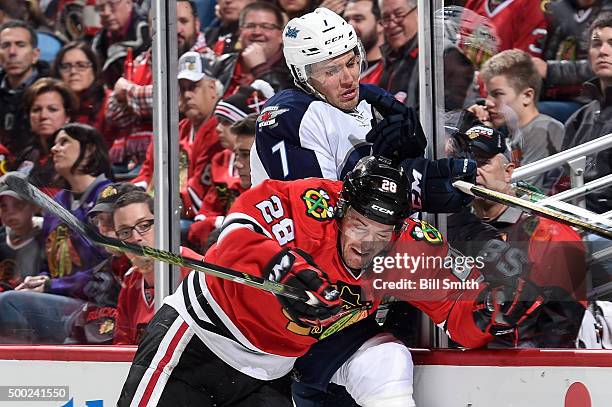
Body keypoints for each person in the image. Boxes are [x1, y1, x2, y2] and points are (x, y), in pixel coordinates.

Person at [117, 155, 546, 406]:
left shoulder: (408, 250)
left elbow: (455, 316)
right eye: (359, 224)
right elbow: (231, 239)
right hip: (197, 342)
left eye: (383, 231)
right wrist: (280, 265)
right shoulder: (304, 203)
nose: (369, 242)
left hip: (269, 373)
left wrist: (490, 314)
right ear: (341, 211)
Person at [252, 7, 474, 215]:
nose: (349, 80)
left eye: (351, 63)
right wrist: (410, 189)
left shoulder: (374, 100)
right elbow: (318, 218)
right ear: (301, 75)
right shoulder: (288, 115)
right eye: (331, 71)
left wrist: (413, 160)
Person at [447, 122, 588, 348]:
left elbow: (561, 325)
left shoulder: (549, 232)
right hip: (462, 356)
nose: (471, 170)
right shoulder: (449, 226)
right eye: (464, 162)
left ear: (508, 171)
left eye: (482, 162)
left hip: (522, 365)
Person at [0, 124, 119, 344]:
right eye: (54, 143)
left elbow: (110, 271)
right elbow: (49, 264)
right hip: (62, 302)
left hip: (100, 311)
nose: (55, 148)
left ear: (90, 149)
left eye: (64, 142)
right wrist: (41, 280)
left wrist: (51, 286)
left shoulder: (109, 198)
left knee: (6, 303)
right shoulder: (56, 203)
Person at [105, 0, 208, 176]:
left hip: (180, 162)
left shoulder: (207, 60)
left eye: (183, 22)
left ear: (196, 24)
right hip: (131, 162)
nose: (176, 29)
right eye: (168, 22)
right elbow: (113, 113)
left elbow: (172, 102)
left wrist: (128, 92)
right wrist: (144, 101)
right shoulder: (140, 61)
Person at [131, 51, 224, 222]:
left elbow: (196, 199)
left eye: (193, 87)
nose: (187, 95)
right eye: (182, 89)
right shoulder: (174, 130)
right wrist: (133, 197)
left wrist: (151, 209)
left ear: (212, 89)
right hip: (158, 209)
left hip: (186, 216)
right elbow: (146, 171)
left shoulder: (219, 132)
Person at [111, 189, 199, 345]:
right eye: (125, 232)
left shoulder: (197, 271)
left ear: (162, 223)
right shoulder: (131, 281)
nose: (136, 238)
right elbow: (122, 343)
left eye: (144, 225)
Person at [469, 49, 565, 192]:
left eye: (498, 94)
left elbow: (523, 192)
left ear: (527, 96)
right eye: (488, 94)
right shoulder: (507, 132)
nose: (488, 103)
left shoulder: (542, 130)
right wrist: (481, 132)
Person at [187, 88, 266, 251]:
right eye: (238, 155)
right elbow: (208, 209)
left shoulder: (280, 185)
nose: (218, 129)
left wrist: (218, 222)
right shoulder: (220, 161)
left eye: (226, 122)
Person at [562, 11, 612, 214]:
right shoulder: (580, 117)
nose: (603, 51)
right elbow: (563, 179)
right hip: (576, 214)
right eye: (597, 44)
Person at [51, 41, 117, 148]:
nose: (73, 71)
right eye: (66, 66)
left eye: (81, 66)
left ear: (94, 71)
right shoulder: (53, 105)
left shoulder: (110, 102)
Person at [0, 20, 50, 146]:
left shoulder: (52, 90)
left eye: (20, 45)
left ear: (35, 55)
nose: (12, 52)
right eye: (5, 46)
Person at [17, 78, 78, 177]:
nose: (43, 116)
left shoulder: (76, 156)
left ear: (68, 116)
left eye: (52, 109)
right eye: (36, 110)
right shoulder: (28, 154)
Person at [91, 0, 150, 87]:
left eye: (112, 5)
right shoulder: (97, 43)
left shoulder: (147, 37)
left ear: (128, 4)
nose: (106, 12)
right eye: (101, 8)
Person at [0, 172, 42, 291]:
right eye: (4, 207)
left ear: (35, 206)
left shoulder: (46, 241)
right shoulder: (1, 237)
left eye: (18, 205)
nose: (10, 213)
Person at [343, 0, 384, 85]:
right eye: (346, 20)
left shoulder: (392, 72)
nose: (350, 26)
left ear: (380, 24)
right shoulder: (341, 71)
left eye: (358, 19)